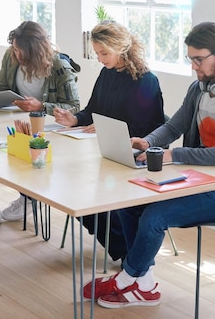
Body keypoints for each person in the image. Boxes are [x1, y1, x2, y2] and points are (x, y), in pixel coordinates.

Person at [83, 21, 215, 308]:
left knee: (155, 216)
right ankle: (144, 284)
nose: (194, 66)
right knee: (129, 202)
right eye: (190, 59)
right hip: (194, 179)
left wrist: (174, 155)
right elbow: (173, 126)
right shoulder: (199, 88)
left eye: (198, 59)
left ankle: (126, 278)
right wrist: (147, 140)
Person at [54, 21, 166, 262]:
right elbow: (92, 110)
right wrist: (74, 119)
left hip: (134, 155)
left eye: (104, 53)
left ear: (121, 47)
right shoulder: (107, 74)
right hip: (104, 150)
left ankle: (129, 253)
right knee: (72, 192)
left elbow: (152, 129)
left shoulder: (146, 81)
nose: (100, 58)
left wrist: (111, 128)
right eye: (97, 53)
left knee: (86, 193)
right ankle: (124, 249)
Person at [0, 21, 80, 228]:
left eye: (21, 51)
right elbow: (1, 86)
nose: (17, 55)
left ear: (36, 50)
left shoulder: (59, 66)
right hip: (17, 122)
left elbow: (74, 107)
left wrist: (41, 105)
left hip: (47, 130)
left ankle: (29, 196)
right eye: (14, 48)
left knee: (19, 149)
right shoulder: (11, 56)